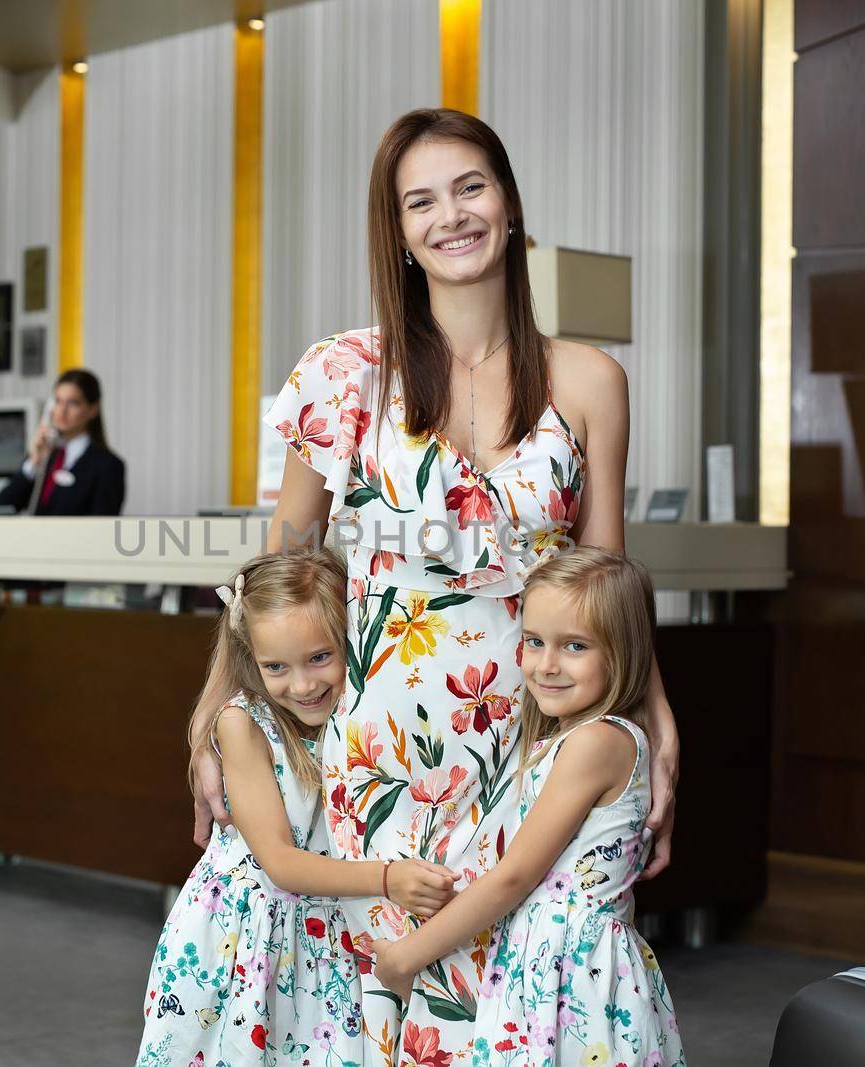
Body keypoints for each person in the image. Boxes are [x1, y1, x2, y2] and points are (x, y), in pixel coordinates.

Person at [190, 107, 682, 1063]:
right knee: (369, 1004)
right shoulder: (343, 374)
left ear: (508, 204)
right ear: (399, 234)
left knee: (506, 1011)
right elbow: (278, 579)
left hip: (536, 739)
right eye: (421, 201)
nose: (450, 216)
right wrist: (215, 719)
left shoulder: (588, 380)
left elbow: (608, 583)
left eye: (470, 187)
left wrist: (657, 722)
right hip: (376, 738)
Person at [139, 550, 458, 1067]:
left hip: (323, 934)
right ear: (251, 658)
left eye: (319, 657)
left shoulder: (356, 716)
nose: (303, 685)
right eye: (276, 667)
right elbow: (281, 863)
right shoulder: (243, 725)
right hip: (245, 939)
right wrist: (389, 880)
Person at [373, 548, 684, 1066]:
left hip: (571, 970)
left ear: (625, 651)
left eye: (575, 646)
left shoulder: (597, 743)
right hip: (542, 960)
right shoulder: (575, 737)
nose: (546, 665)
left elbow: (514, 877)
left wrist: (407, 956)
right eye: (534, 642)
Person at [0, 369, 125, 515]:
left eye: (73, 403)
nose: (62, 410)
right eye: (58, 401)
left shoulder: (108, 466)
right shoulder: (45, 456)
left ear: (93, 410)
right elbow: (0, 507)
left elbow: (103, 527)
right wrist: (33, 463)